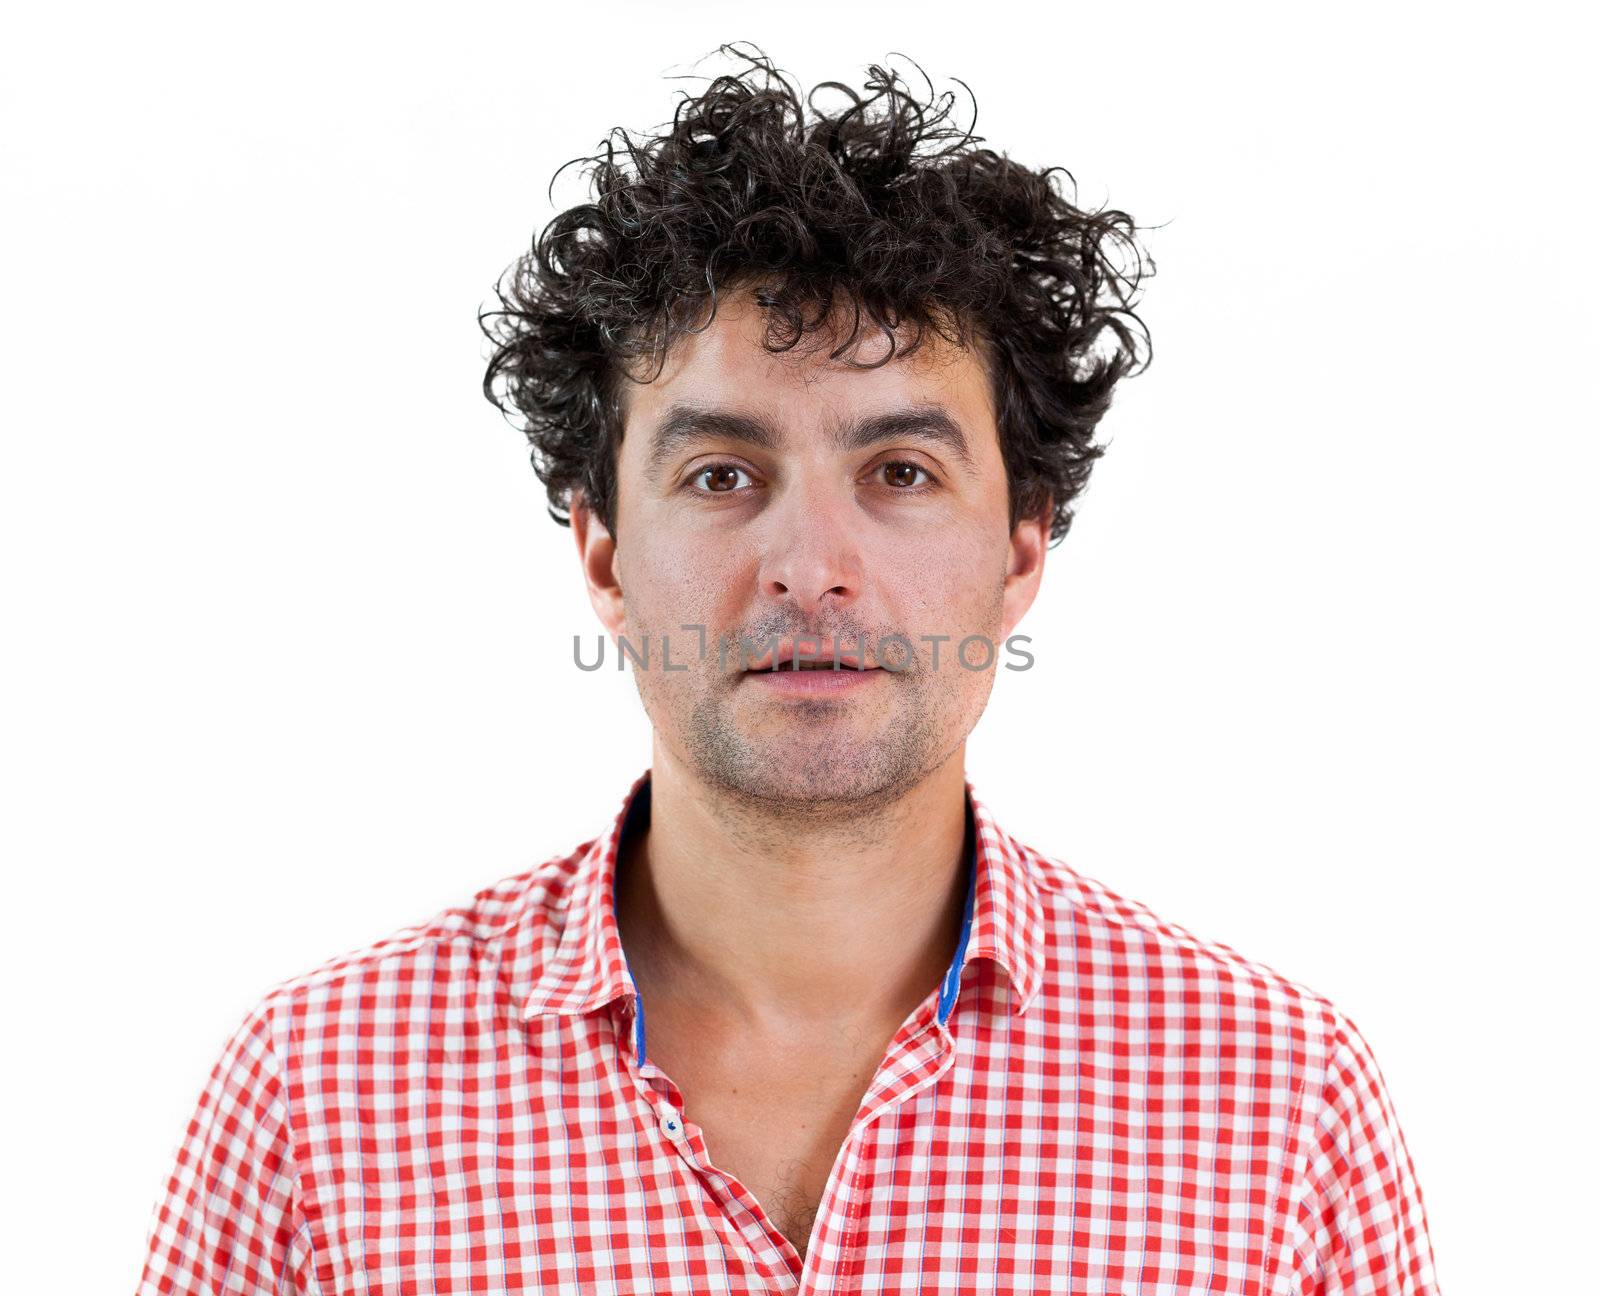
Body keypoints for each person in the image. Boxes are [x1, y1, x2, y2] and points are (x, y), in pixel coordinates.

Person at [137, 44, 1440, 1296]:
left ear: (1020, 547)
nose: (810, 564)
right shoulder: (320, 1098)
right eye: (721, 476)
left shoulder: (1277, 1105)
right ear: (603, 555)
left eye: (901, 473)